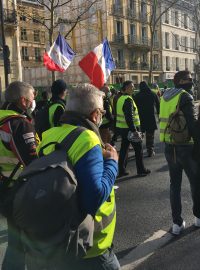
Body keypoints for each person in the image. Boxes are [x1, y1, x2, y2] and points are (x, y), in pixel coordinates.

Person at [35, 83, 120, 269]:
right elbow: (93, 198)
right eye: (102, 113)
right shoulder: (88, 138)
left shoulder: (49, 135)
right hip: (91, 245)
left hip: (59, 234)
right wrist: (112, 162)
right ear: (95, 114)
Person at [0, 81, 38, 270]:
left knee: (16, 240)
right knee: (26, 242)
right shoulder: (18, 124)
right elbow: (32, 162)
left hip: (4, 186)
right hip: (19, 190)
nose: (33, 102)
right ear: (23, 101)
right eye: (32, 98)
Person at [159, 70, 200, 235]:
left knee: (174, 185)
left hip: (170, 147)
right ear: (181, 81)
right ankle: (198, 218)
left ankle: (177, 224)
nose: (191, 81)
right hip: (187, 147)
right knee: (196, 183)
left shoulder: (165, 95)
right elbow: (193, 126)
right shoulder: (185, 96)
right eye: (189, 79)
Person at [116, 80, 151, 177]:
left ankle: (122, 170)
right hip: (130, 129)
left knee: (124, 149)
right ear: (126, 88)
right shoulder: (128, 99)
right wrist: (134, 130)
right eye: (132, 86)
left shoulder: (120, 98)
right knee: (138, 149)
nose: (134, 88)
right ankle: (141, 170)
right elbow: (129, 116)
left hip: (123, 129)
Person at [134, 81, 160, 157]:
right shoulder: (153, 94)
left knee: (140, 135)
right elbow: (158, 104)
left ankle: (139, 151)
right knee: (150, 136)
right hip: (151, 117)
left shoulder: (137, 95)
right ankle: (150, 151)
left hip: (140, 118)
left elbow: (133, 106)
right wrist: (158, 114)